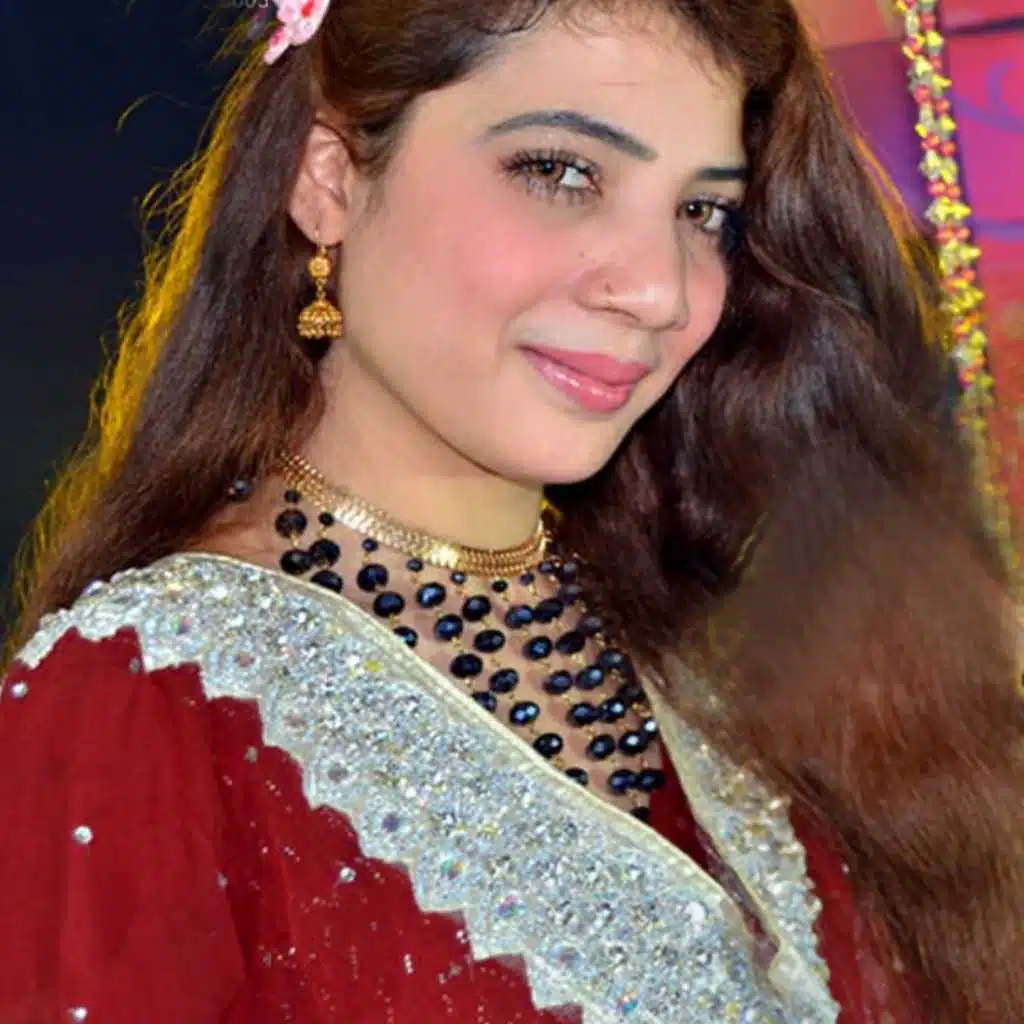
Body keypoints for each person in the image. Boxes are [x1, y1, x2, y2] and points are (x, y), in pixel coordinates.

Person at [1, 0, 1021, 1020]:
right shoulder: (143, 710)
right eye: (559, 172)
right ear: (328, 180)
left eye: (703, 211)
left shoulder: (709, 663)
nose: (658, 291)